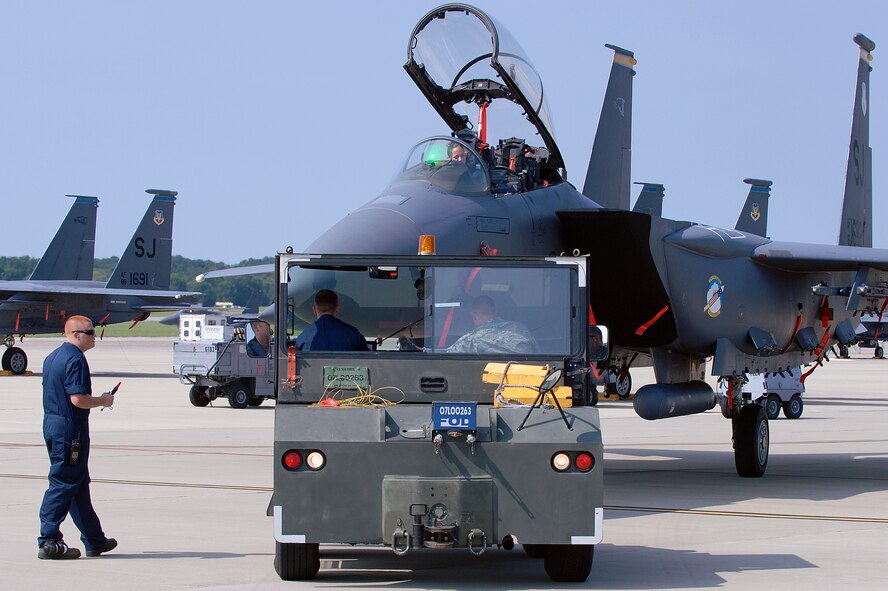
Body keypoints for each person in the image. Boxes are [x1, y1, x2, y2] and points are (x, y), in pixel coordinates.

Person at [37, 316, 117, 560]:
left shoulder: (53, 357)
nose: (95, 336)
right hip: (70, 431)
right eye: (90, 332)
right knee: (63, 482)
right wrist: (103, 400)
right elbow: (78, 399)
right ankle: (49, 539)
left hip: (54, 425)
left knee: (78, 483)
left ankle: (94, 540)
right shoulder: (75, 359)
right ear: (75, 334)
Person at [447, 295, 537, 354]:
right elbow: (536, 355)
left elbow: (447, 358)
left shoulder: (471, 340)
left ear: (474, 315)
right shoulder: (520, 329)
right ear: (496, 312)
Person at [295, 290, 369, 351]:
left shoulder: (303, 338)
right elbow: (367, 358)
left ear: (314, 310)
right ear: (337, 308)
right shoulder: (354, 334)